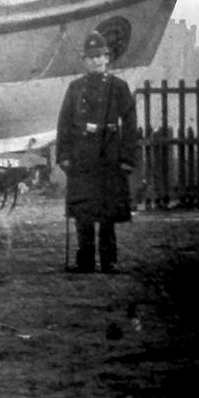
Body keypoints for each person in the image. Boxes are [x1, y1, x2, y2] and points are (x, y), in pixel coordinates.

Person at [56, 31, 138, 274]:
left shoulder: (118, 87)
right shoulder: (75, 88)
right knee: (83, 211)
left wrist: (126, 158)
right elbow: (65, 124)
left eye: (98, 56)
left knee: (106, 212)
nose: (94, 61)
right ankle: (85, 260)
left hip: (109, 156)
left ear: (107, 58)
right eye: (89, 58)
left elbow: (130, 124)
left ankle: (109, 260)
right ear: (84, 61)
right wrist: (64, 156)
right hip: (82, 158)